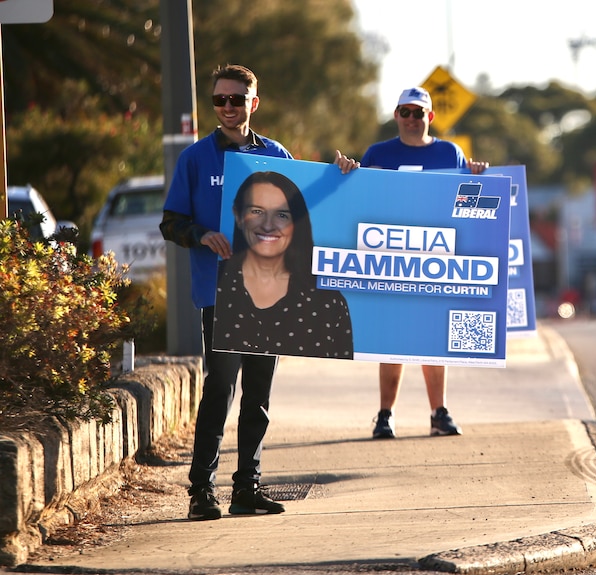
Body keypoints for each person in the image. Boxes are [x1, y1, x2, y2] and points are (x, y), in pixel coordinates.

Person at [160, 64, 359, 521]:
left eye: (235, 99)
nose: (227, 107)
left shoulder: (275, 153)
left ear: (253, 103)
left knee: (259, 395)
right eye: (219, 100)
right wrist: (202, 235)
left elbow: (304, 206)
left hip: (270, 291)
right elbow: (171, 222)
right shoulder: (194, 159)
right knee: (219, 390)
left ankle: (246, 489)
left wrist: (339, 176)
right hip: (220, 293)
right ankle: (200, 492)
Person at [360, 86, 489, 440]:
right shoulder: (377, 153)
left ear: (430, 117)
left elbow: (468, 205)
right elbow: (357, 200)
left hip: (437, 259)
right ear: (396, 115)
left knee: (434, 337)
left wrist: (476, 178)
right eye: (406, 112)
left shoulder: (450, 153)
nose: (413, 119)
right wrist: (346, 172)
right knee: (393, 340)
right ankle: (385, 415)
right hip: (392, 260)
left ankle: (438, 413)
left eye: (420, 113)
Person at [213, 170, 353, 358]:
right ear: (237, 216)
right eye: (257, 211)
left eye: (282, 215)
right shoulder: (216, 284)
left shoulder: (328, 302)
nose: (268, 225)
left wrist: (341, 173)